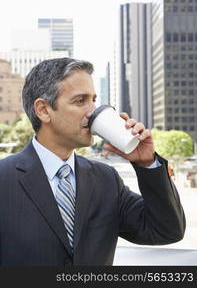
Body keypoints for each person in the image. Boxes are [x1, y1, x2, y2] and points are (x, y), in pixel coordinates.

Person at [0, 57, 185, 266]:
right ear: (43, 110)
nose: (92, 111)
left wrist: (146, 163)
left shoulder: (106, 180)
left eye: (94, 100)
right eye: (80, 101)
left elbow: (167, 231)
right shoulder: (4, 179)